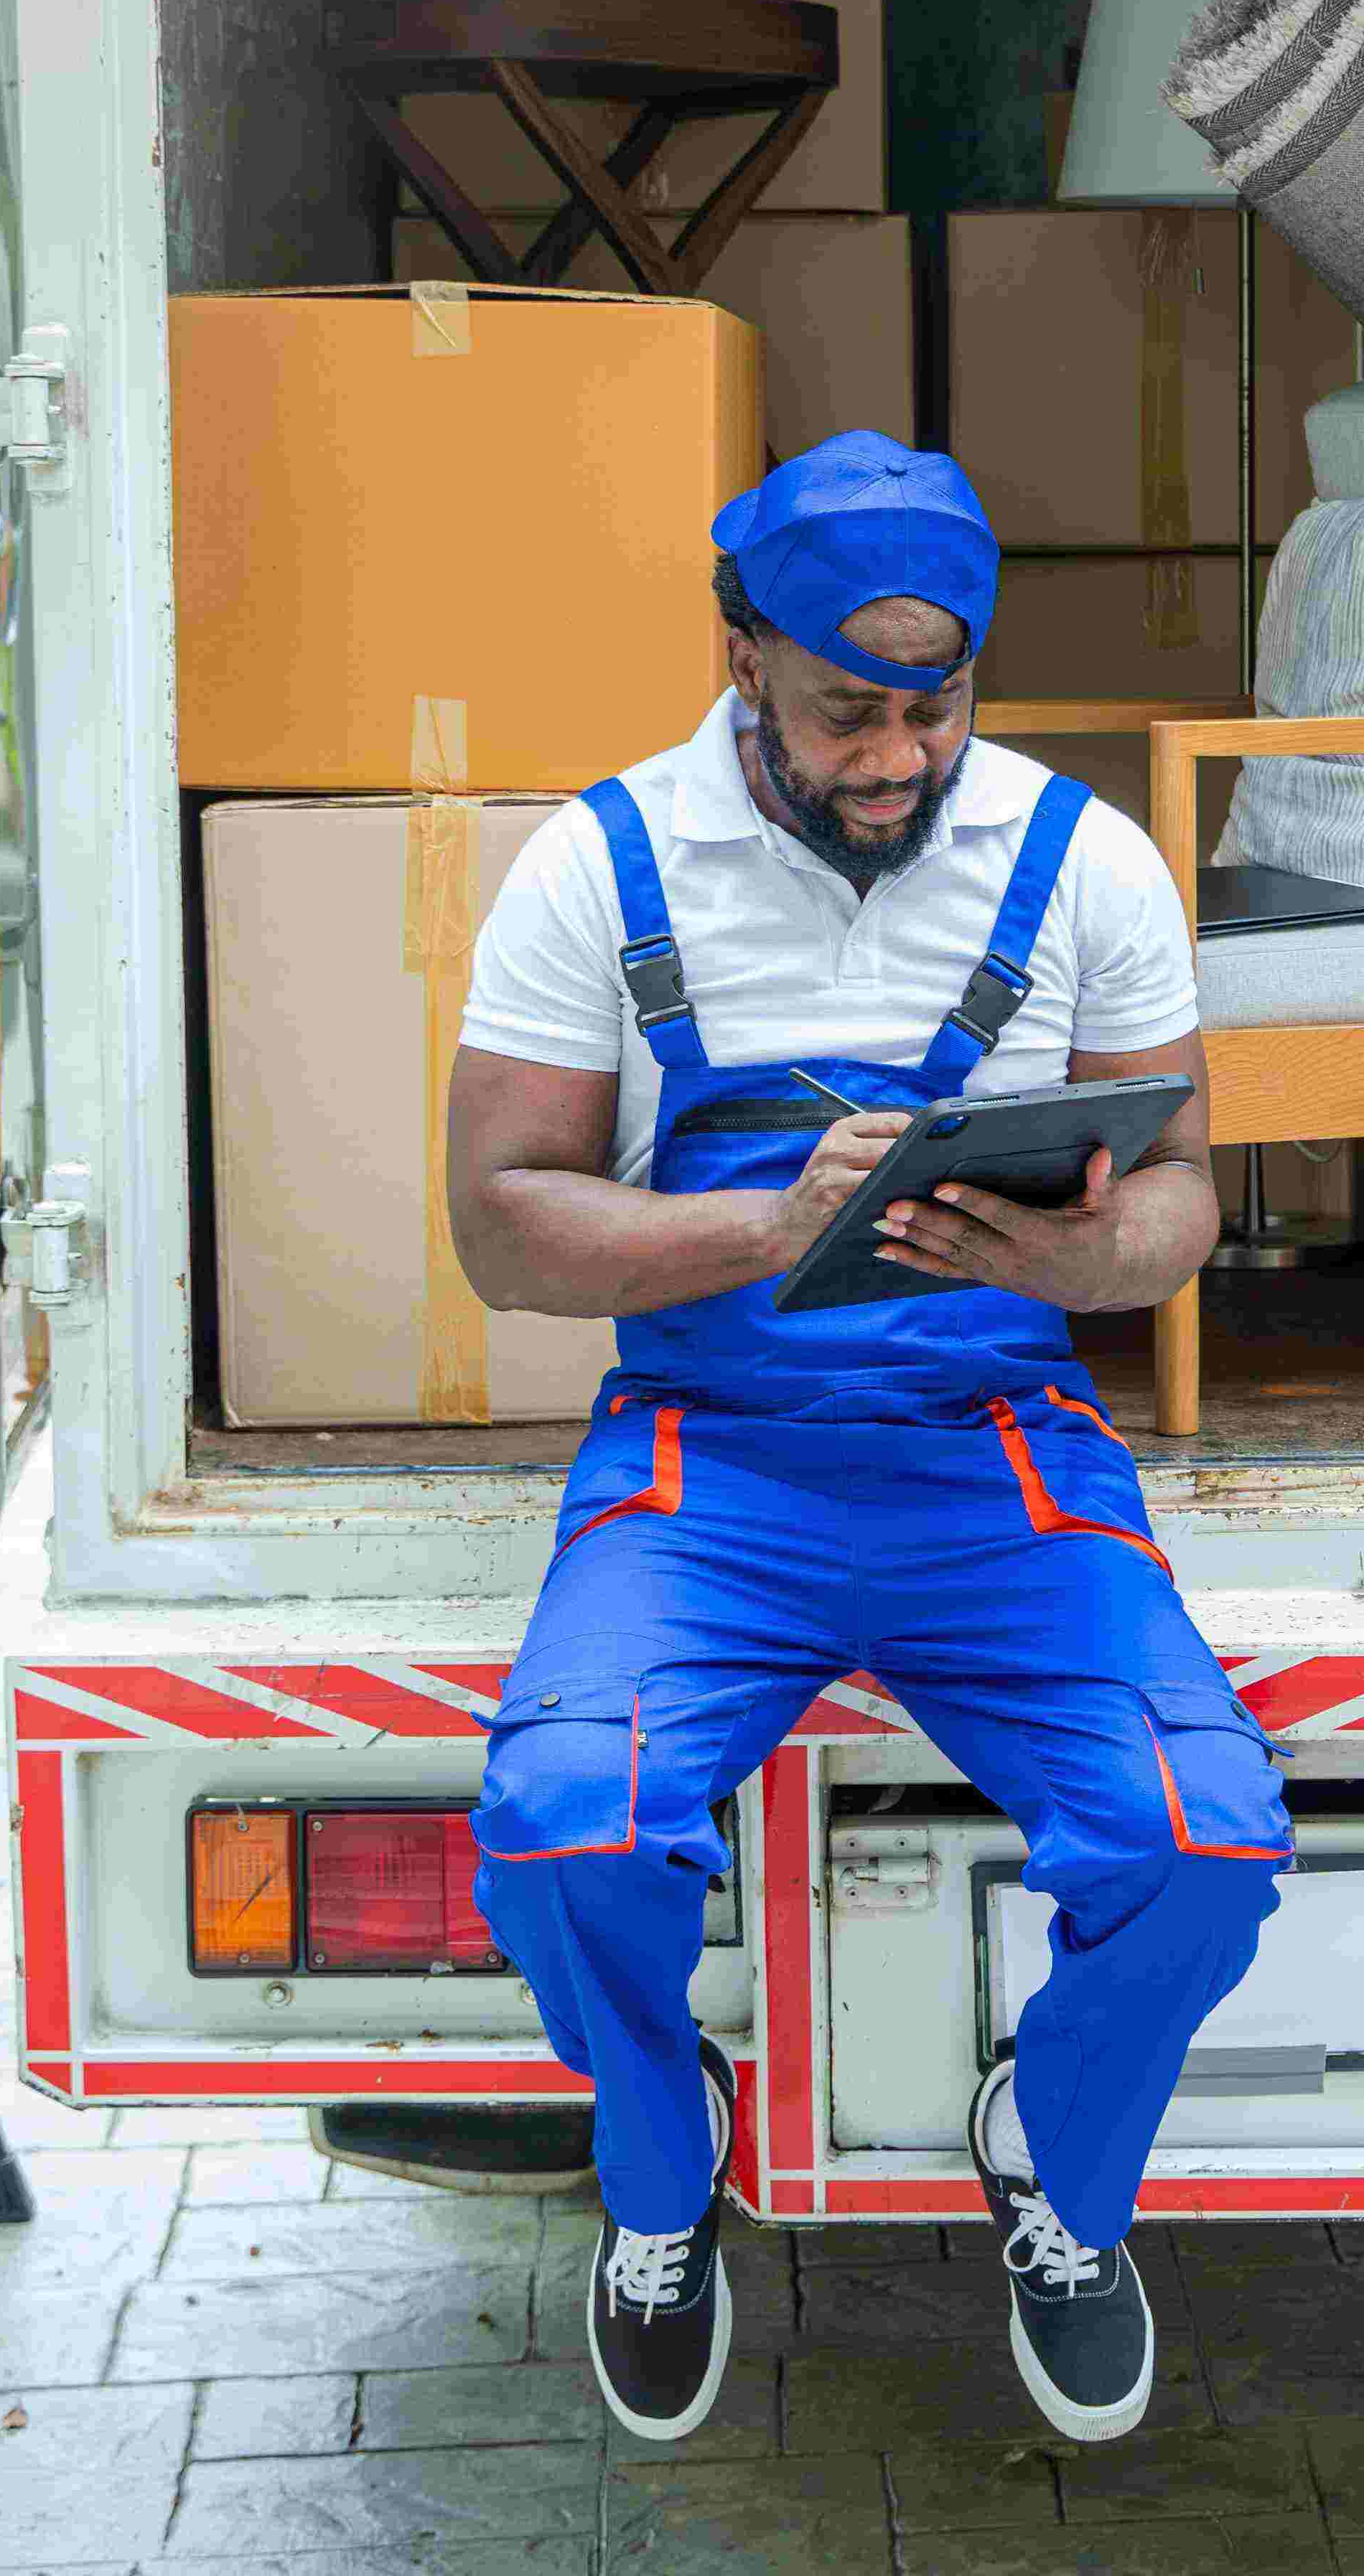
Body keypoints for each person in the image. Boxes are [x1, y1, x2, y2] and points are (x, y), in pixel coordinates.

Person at [444, 430, 1287, 2448]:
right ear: (741, 653)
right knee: (561, 1825)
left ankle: (1056, 2164)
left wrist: (1083, 1252)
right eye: (848, 712)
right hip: (707, 1459)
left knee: (1203, 1845)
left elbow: (1185, 1191)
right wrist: (761, 1228)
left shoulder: (1087, 861)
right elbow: (499, 1227)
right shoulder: (598, 863)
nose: (898, 756)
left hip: (996, 1449)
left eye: (938, 707)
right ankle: (664, 2175)